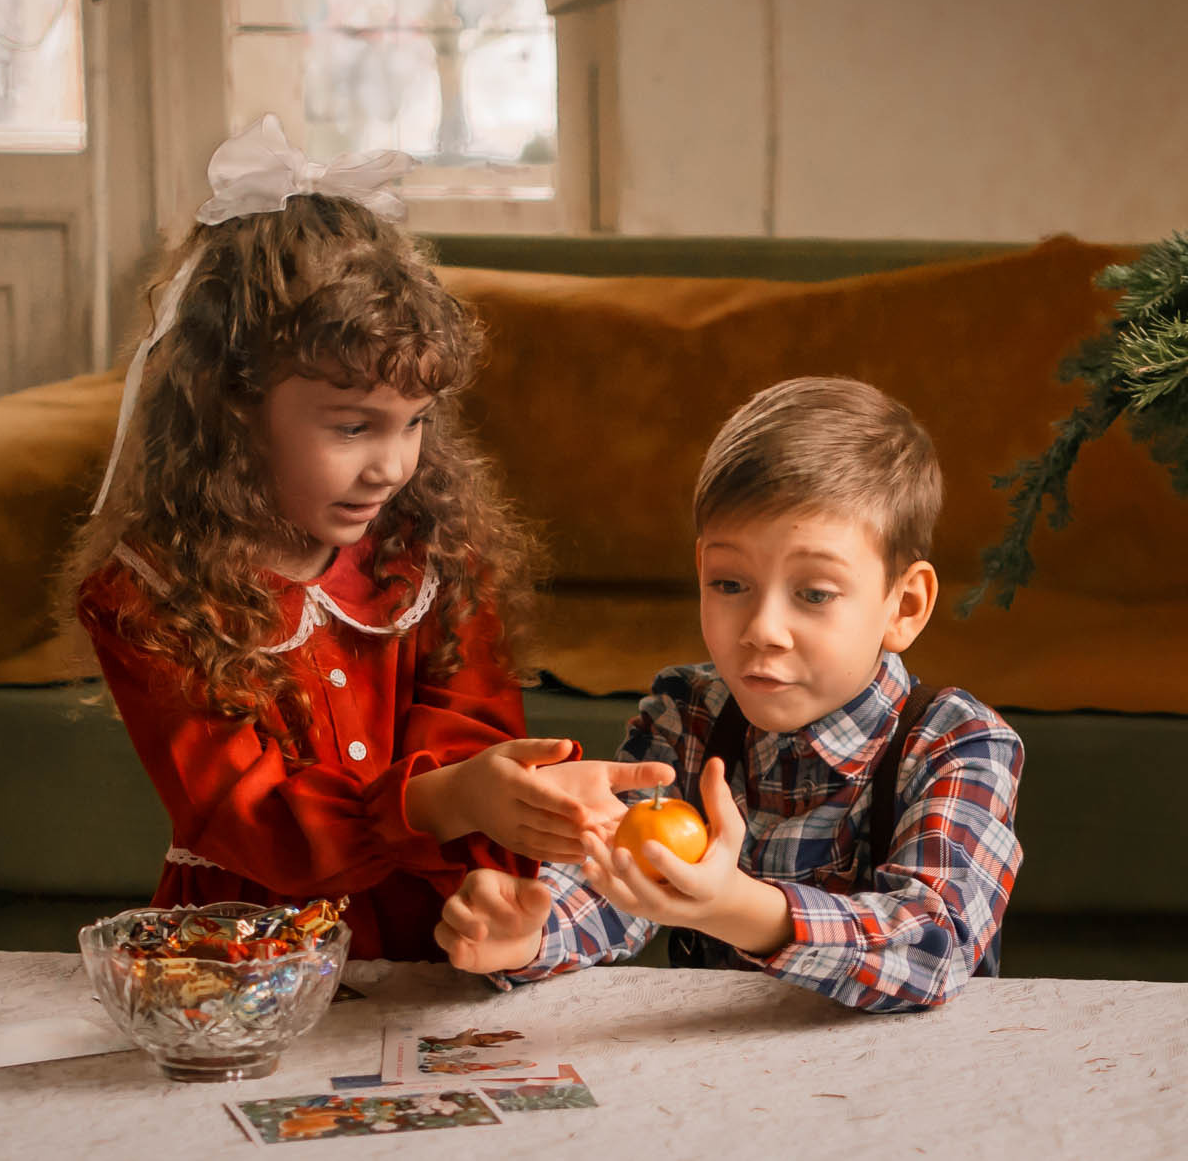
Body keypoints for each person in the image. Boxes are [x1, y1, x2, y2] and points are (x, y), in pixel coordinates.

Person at [69, 116, 668, 960]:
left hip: (431, 940)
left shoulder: (432, 552)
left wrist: (505, 827)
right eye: (353, 427)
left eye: (414, 422)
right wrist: (445, 800)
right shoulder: (149, 594)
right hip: (250, 959)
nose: (392, 464)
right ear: (233, 404)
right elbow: (247, 814)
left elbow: (472, 737)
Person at [435, 377, 1024, 1009]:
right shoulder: (688, 713)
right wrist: (529, 930)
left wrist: (737, 908)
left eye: (814, 593)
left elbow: (935, 947)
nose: (763, 631)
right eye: (729, 584)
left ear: (904, 606)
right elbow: (611, 880)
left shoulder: (958, 743)